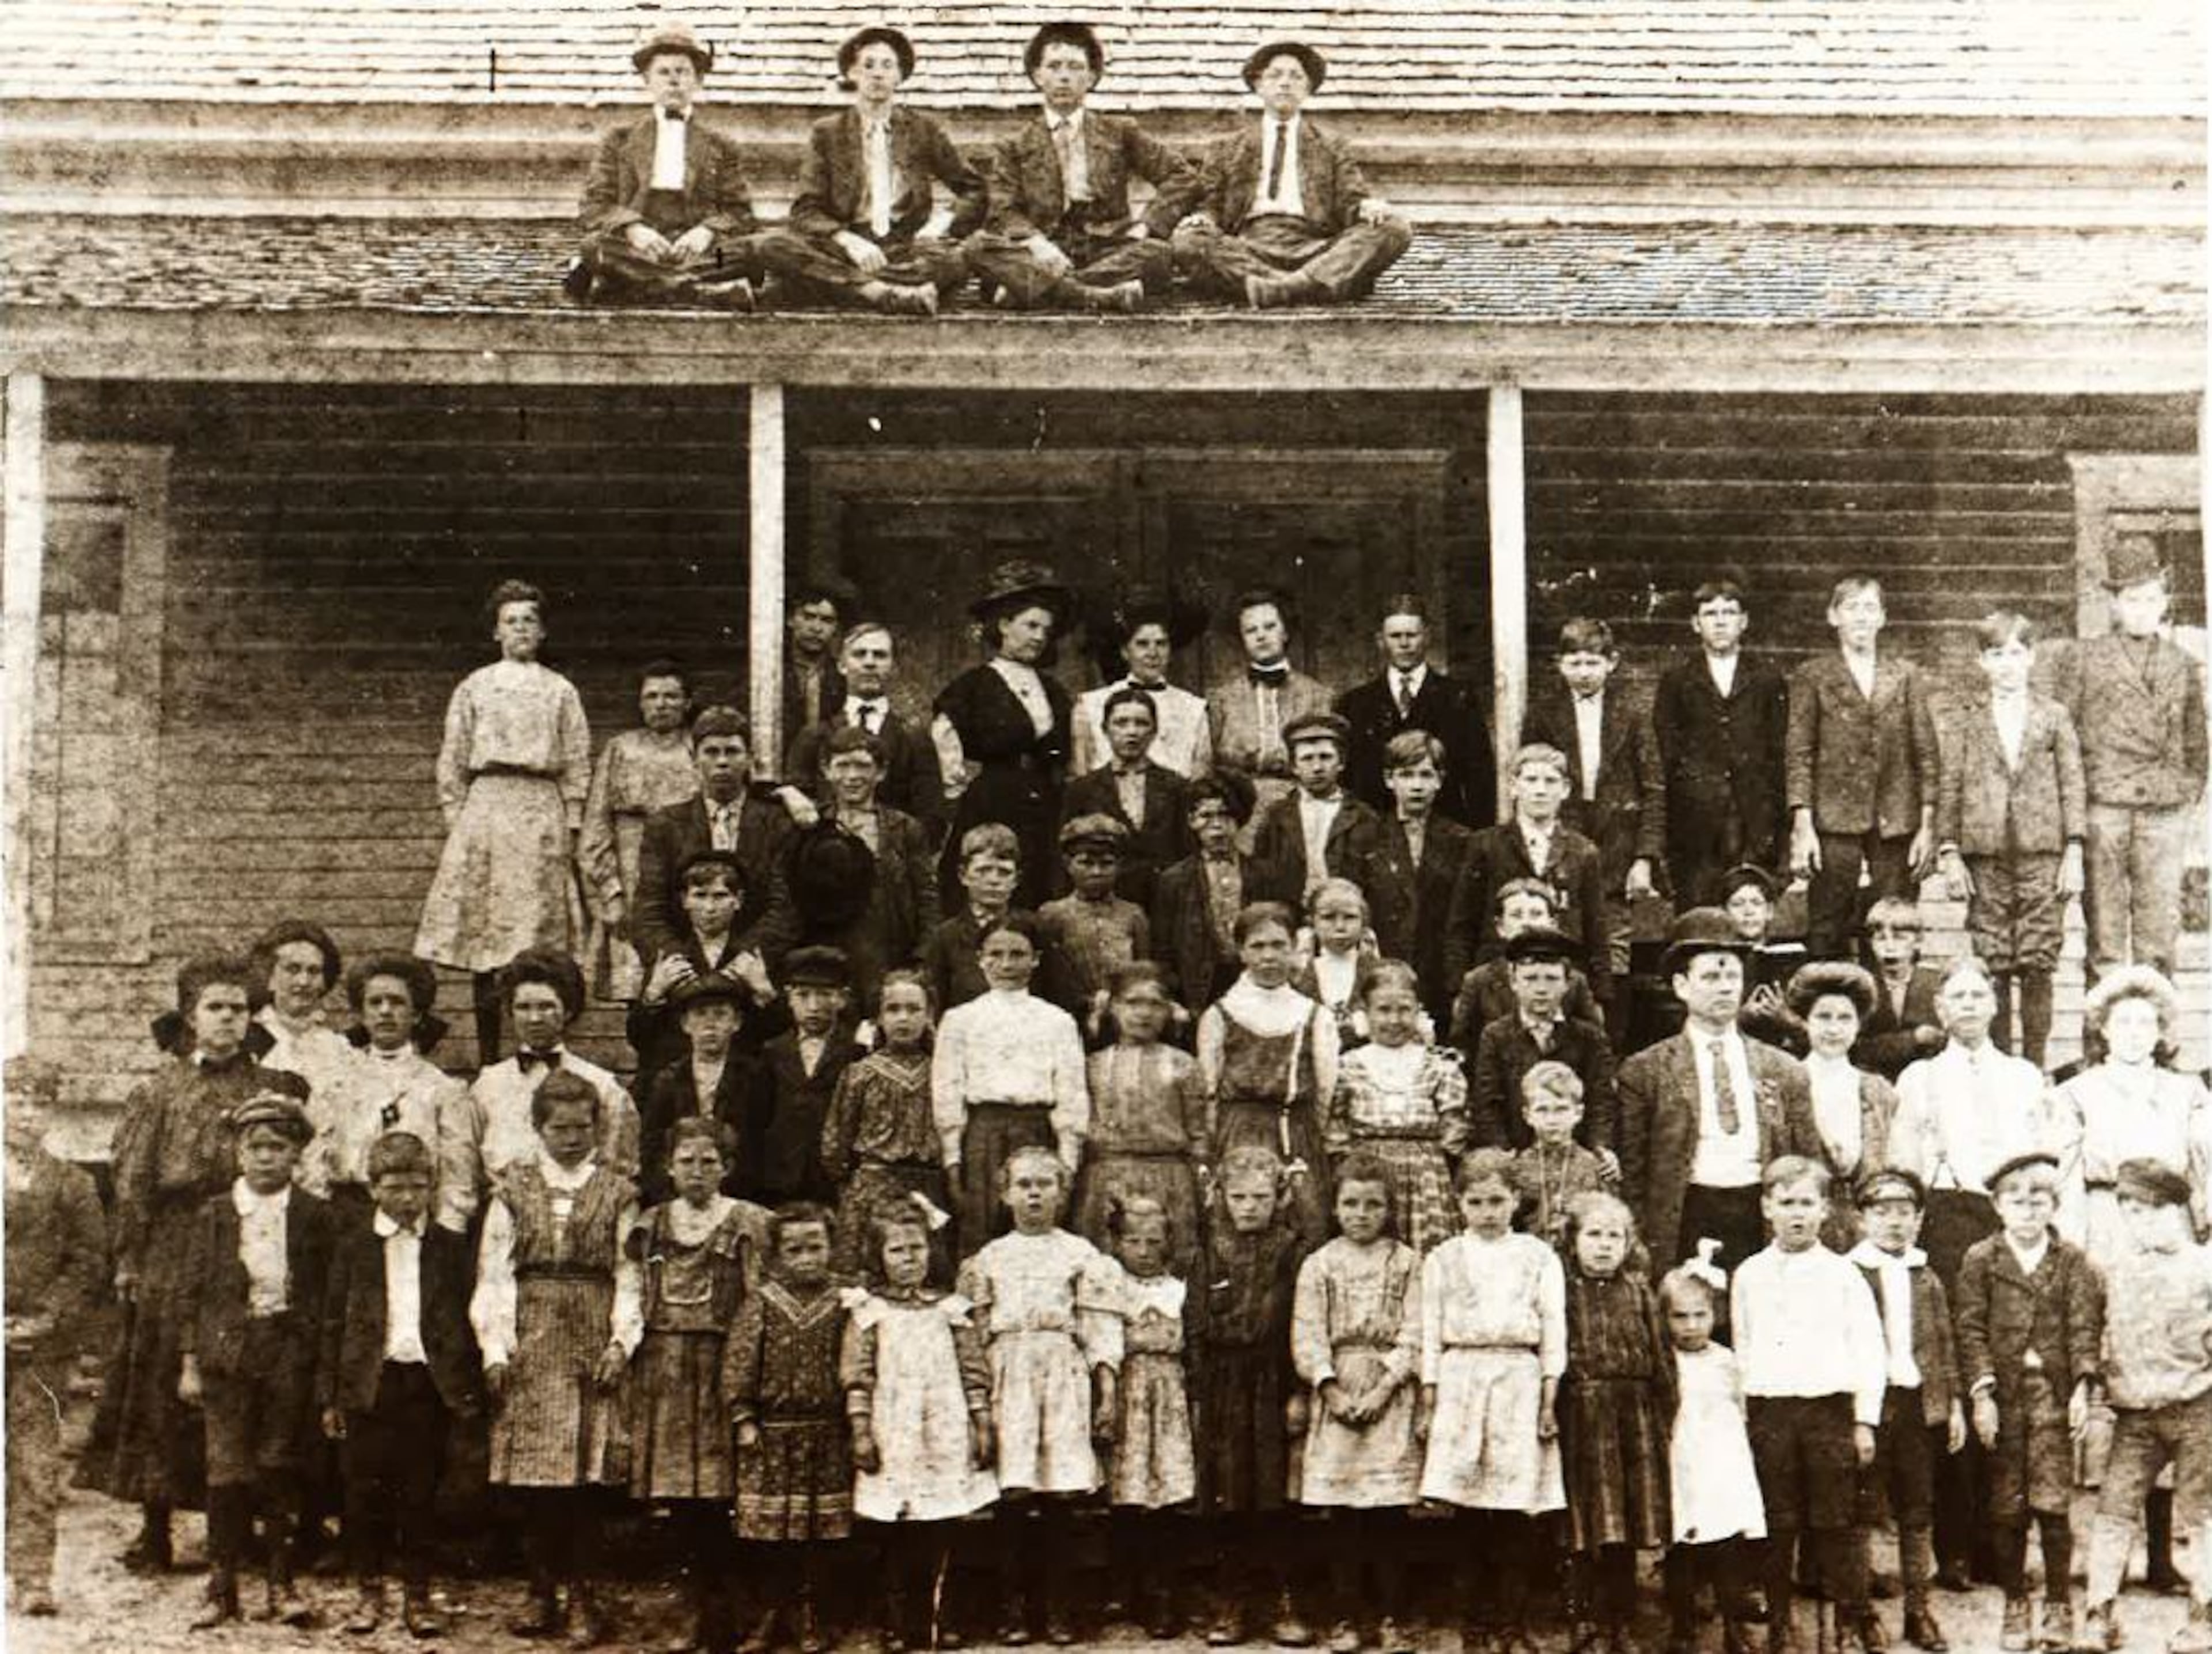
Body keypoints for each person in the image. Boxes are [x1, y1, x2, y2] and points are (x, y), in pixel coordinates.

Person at [88, 954, 301, 1575]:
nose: (229, 1020)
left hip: (242, 1239)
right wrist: (130, 1257)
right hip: (173, 1245)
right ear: (190, 1016)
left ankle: (236, 1529)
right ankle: (154, 1528)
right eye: (216, 1007)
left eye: (239, 1009)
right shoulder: (159, 1090)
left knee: (239, 1377)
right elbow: (132, 1182)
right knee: (161, 1383)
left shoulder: (267, 1089)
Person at [1887, 957, 2073, 1595]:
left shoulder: (2023, 1076)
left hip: (2008, 1221)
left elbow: (2048, 1160)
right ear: (1938, 1009)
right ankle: (1955, 1549)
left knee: (2007, 1378)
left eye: (1977, 993)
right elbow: (1904, 1164)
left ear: (1995, 1004)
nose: (1967, 1004)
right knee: (1957, 1381)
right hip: (1945, 1217)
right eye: (1954, 995)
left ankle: (2004, 1547)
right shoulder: (1918, 1077)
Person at [472, 1069, 642, 1644]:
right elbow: (494, 1276)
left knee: (586, 1479)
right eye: (559, 1126)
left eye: (582, 1126)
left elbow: (629, 1273)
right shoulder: (513, 1190)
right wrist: (496, 1348)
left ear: (598, 1127)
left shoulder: (619, 1192)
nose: (572, 1137)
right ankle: (543, 1592)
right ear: (539, 1127)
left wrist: (622, 1342)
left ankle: (585, 1598)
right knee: (537, 1479)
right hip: (533, 1333)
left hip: (592, 1332)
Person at [414, 579, 590, 1063]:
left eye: (529, 621)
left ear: (543, 630)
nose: (521, 630)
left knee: (537, 937)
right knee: (487, 942)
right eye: (511, 622)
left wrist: (571, 823)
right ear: (496, 631)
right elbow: (452, 758)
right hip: (488, 808)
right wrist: (459, 819)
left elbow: (577, 761)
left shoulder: (560, 691)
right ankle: (492, 1058)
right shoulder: (476, 686)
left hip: (540, 809)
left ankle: (546, 1050)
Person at [178, 1092, 335, 1629]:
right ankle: (221, 1587)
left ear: (296, 1154)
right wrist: (190, 1362)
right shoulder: (217, 1214)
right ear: (238, 1153)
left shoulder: (314, 1215)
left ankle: (280, 1582)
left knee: (278, 1464)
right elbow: (192, 1291)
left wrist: (313, 1357)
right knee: (226, 1470)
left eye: (278, 1147)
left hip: (288, 1352)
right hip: (227, 1355)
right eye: (256, 1147)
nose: (266, 1157)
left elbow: (323, 1293)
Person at [317, 1129, 481, 1638]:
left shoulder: (450, 1247)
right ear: (373, 1188)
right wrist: (331, 1396)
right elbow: (332, 1324)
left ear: (432, 1185)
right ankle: (369, 1592)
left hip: (428, 1385)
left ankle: (417, 1594)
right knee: (363, 1492)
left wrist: (464, 1387)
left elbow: (465, 1317)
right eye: (395, 1187)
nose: (407, 1198)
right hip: (370, 1382)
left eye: (417, 1186)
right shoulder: (354, 1247)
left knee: (420, 1492)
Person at [957, 1148, 1124, 1644]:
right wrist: (980, 1400)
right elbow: (976, 1332)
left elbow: (1100, 1328)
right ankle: (1011, 1609)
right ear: (1006, 1194)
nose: (1034, 1194)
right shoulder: (990, 1258)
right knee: (1013, 1497)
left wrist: (1106, 1392)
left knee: (1058, 1498)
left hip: (1061, 1375)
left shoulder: (1081, 1256)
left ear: (1062, 1192)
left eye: (1045, 1184)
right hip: (1008, 1375)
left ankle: (1058, 1610)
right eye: (1024, 1185)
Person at [1730, 1157, 1887, 1654]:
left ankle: (1846, 1622)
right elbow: (1744, 1346)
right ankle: (1780, 1624)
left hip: (1829, 1413)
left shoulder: (1843, 1275)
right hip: (1771, 1415)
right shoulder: (1750, 1274)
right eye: (1786, 1203)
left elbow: (1868, 1351)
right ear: (1766, 1208)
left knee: (1836, 1522)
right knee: (1778, 1524)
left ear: (1825, 1210)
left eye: (1807, 1203)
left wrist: (1864, 1420)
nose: (1796, 1214)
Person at [1952, 1152, 2103, 1653]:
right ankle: (2015, 1602)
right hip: (2004, 1397)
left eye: (2039, 1200)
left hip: (2054, 1397)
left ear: (2054, 1205)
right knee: (2008, 1505)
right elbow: (1970, 1329)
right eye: (2015, 1200)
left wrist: (2082, 1387)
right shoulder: (1981, 1259)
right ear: (1997, 1206)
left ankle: (2059, 1603)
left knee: (2054, 1503)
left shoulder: (2073, 1261)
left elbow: (2084, 1329)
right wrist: (1982, 1393)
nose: (2027, 1210)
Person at [1418, 1148, 1567, 1653]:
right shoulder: (1443, 1258)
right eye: (1476, 1201)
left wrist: (1549, 1400)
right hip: (1461, 1377)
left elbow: (1554, 1330)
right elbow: (1429, 1333)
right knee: (1465, 1505)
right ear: (1460, 1203)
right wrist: (1429, 1398)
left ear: (1516, 1201)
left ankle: (1511, 1618)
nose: (1487, 1211)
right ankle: (1475, 1621)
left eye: (1497, 1200)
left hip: (1519, 1381)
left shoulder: (1538, 1256)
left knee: (1512, 1507)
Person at [1616, 909, 1820, 1272]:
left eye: (1733, 976)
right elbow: (1634, 1175)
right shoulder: (1646, 1070)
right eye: (1711, 976)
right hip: (1686, 1216)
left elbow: (1808, 1161)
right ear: (1681, 986)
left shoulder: (1784, 1070)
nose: (1725, 987)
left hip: (1759, 1217)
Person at [629, 1119, 766, 1654]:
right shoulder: (651, 1224)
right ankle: (696, 1610)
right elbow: (637, 1293)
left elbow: (756, 1304)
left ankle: (731, 1613)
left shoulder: (748, 1222)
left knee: (722, 1494)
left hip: (721, 1363)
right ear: (669, 1167)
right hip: (666, 1366)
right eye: (687, 1161)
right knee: (681, 1498)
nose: (698, 1172)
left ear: (726, 1167)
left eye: (710, 1162)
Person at [843, 1201, 998, 1651]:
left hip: (944, 1429)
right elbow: (858, 1374)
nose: (909, 1258)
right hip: (894, 1429)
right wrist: (861, 1430)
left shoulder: (951, 1309)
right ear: (879, 1257)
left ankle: (939, 1616)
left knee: (943, 1522)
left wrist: (982, 1423)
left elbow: (973, 1371)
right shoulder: (868, 1311)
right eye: (897, 1250)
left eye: (917, 1248)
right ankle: (896, 1621)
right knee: (897, 1525)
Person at [1934, 610, 2086, 1067]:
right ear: (1982, 661)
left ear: (2032, 658)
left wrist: (2074, 848)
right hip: (1985, 856)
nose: (2007, 664)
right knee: (1994, 961)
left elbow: (2072, 783)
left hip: (2043, 853)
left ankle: (2035, 1066)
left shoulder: (2053, 715)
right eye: (1997, 655)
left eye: (2016, 654)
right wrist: (1949, 850)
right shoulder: (1966, 718)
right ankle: (1999, 1064)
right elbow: (1950, 784)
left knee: (2038, 959)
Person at [961, 22, 1198, 312]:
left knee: (1158, 254)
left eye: (1075, 68)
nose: (1064, 77)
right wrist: (1037, 243)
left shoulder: (1120, 132)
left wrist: (1147, 226)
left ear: (1091, 77)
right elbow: (1003, 209)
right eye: (1054, 67)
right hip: (1044, 248)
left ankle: (1043, 290)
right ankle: (1091, 295)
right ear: (1038, 76)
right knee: (978, 246)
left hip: (1108, 247)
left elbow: (1182, 177)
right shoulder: (1014, 145)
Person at [2056, 539, 2209, 982]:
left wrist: (2183, 796)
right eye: (2131, 599)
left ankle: (2159, 1043)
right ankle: (2100, 1040)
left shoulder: (2182, 663)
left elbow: (2197, 744)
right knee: (2105, 930)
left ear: (2163, 603)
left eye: (2150, 599)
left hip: (2164, 809)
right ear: (2115, 604)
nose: (2142, 609)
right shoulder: (2087, 659)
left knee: (2159, 929)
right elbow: (2068, 737)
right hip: (2106, 806)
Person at [1292, 1156, 1424, 1653]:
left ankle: (1390, 1615)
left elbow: (1416, 1331)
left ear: (1390, 1209)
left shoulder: (1408, 1262)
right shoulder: (1321, 1263)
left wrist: (1385, 1386)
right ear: (1335, 1207)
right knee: (1344, 1513)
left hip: (1388, 1391)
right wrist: (1329, 1388)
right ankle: (1346, 1615)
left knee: (1388, 1512)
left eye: (1373, 1205)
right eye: (1351, 1203)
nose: (1361, 1214)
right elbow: (1307, 1333)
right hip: (1339, 1390)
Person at [754, 27, 980, 314]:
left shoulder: (923, 130)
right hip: (845, 247)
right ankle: (882, 293)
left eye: (888, 66)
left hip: (904, 247)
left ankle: (840, 288)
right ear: (852, 73)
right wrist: (849, 242)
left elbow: (974, 189)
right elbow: (806, 210)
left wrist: (941, 224)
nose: (878, 74)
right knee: (773, 246)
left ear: (900, 76)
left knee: (956, 263)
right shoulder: (828, 133)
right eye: (868, 65)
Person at [2081, 1160, 2212, 1653]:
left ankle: (2205, 1614)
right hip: (2135, 1414)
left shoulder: (2205, 1266)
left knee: (2201, 1515)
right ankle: (2100, 1611)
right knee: (2114, 1510)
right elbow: (2096, 1334)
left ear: (2179, 1210)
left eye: (2154, 1210)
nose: (2143, 1221)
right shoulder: (2115, 1270)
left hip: (2196, 1405)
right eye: (2132, 1211)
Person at [1173, 40, 1411, 308]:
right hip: (1248, 248)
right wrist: (1202, 219)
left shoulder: (1331, 146)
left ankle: (1287, 287)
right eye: (1275, 75)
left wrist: (1367, 207)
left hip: (1316, 248)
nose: (1285, 83)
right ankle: (1306, 287)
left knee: (1394, 228)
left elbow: (1352, 202)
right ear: (1258, 86)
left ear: (1308, 89)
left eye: (1296, 77)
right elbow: (1209, 206)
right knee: (1188, 240)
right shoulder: (1227, 148)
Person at [1192, 1144, 1310, 1649]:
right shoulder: (1209, 1249)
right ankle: (1231, 1600)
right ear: (1221, 1196)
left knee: (1273, 1494)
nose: (1248, 1207)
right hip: (1223, 1384)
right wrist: (1199, 1394)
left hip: (1272, 1380)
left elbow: (1301, 1325)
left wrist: (1298, 1392)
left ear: (1279, 1197)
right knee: (1229, 1493)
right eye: (1238, 1196)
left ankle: (1285, 1597)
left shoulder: (1291, 1250)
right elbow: (1195, 1327)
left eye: (1260, 1197)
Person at [1523, 617, 1663, 1044]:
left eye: (1593, 662)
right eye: (1575, 662)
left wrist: (1645, 857)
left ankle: (1610, 1044)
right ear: (1561, 665)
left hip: (1617, 849)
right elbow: (1532, 773)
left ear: (1611, 663)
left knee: (1613, 950)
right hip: (1563, 840)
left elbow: (1654, 787)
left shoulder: (1634, 711)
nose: (1584, 671)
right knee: (1563, 939)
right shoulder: (1545, 713)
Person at [1785, 577, 1940, 959]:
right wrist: (1803, 827)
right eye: (1851, 607)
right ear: (1833, 616)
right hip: (1834, 823)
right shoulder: (1813, 676)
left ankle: (1890, 1014)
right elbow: (1799, 752)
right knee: (1828, 926)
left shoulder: (1905, 676)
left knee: (1894, 924)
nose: (1861, 617)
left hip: (1895, 823)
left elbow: (1926, 754)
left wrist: (1927, 826)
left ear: (1883, 618)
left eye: (1870, 608)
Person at [3, 1056, 107, 1619]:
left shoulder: (72, 1184)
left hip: (41, 1342)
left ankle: (32, 1575)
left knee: (34, 1459)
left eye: (38, 1101)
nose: (26, 1111)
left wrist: (45, 1318)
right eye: (15, 1098)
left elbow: (88, 1263)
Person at [724, 1202, 852, 1654]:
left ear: (832, 1249)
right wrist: (744, 1418)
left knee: (818, 1536)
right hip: (774, 1434)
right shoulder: (762, 1302)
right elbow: (740, 1364)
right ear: (777, 1255)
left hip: (828, 1434)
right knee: (773, 1537)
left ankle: (810, 1617)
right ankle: (769, 1616)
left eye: (815, 1247)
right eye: (794, 1249)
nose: (806, 1257)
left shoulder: (847, 1301)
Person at [567, 20, 766, 309]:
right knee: (595, 248)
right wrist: (634, 230)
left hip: (700, 251)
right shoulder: (619, 140)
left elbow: (740, 212)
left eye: (683, 72)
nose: (674, 81)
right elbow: (594, 206)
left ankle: (635, 286)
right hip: (640, 248)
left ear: (698, 81)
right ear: (647, 81)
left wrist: (706, 232)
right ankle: (699, 292)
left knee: (751, 252)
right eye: (663, 72)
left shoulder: (720, 144)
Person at [1845, 1167, 1963, 1654]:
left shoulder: (1926, 1274)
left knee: (1918, 1511)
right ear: (1861, 1218)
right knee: (1862, 1513)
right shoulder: (1849, 1274)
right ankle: (1860, 1615)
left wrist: (1952, 1403)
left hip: (1916, 1408)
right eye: (1881, 1212)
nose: (1894, 1223)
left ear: (1919, 1218)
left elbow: (1943, 1343)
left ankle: (1919, 1611)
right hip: (1871, 1407)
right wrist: (1856, 1416)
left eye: (1904, 1213)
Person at [442, 947, 640, 1234]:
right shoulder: (488, 1085)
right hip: (503, 1222)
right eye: (524, 1008)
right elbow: (466, 1166)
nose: (535, 1019)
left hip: (580, 1223)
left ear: (568, 1010)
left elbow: (620, 1167)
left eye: (547, 1007)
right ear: (510, 1013)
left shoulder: (601, 1084)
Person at [1556, 1193, 1674, 1654]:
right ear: (1572, 1242)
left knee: (1625, 1519)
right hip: (1583, 1413)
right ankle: (1583, 1619)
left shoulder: (1640, 1290)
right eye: (1593, 1235)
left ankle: (1621, 1619)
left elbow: (1661, 1356)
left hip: (1635, 1415)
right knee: (1584, 1518)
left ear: (1629, 1244)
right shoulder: (1564, 1292)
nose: (1604, 1246)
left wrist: (1667, 1408)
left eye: (1614, 1236)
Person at [933, 914, 1089, 1255]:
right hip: (982, 1134)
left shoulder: (1057, 1021)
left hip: (1037, 1132)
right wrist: (953, 1159)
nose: (1006, 964)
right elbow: (947, 1090)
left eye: (1017, 954)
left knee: (1041, 1232)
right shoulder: (960, 1020)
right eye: (995, 954)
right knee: (981, 1231)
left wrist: (1068, 1160)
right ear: (980, 959)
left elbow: (1071, 1093)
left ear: (1035, 959)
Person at [934, 560, 1078, 909]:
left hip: (1046, 804)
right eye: (1030, 626)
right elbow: (946, 748)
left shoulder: (1055, 690)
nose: (1039, 636)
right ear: (1003, 625)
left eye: (1046, 629)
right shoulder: (972, 687)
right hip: (992, 803)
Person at [1198, 901, 1341, 1248]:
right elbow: (1209, 1090)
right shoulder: (1221, 1014)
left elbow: (1326, 1091)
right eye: (1257, 946)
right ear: (1241, 952)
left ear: (1295, 949)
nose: (1269, 956)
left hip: (1296, 1132)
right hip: (1238, 1133)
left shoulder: (1313, 1015)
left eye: (1279, 946)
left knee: (1303, 1224)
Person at [2057, 965, 2212, 1269]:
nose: (2134, 1033)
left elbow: (2202, 1166)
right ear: (2104, 1029)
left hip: (2171, 1219)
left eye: (2145, 1023)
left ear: (2159, 1031)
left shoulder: (2187, 1092)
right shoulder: (2076, 1093)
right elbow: (2068, 1179)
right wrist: (2071, 1246)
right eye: (2123, 1022)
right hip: (2106, 1220)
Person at [633, 705, 803, 977]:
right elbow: (648, 912)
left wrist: (738, 964)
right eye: (711, 752)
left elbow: (784, 910)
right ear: (694, 758)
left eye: (732, 752)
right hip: (684, 970)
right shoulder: (665, 825)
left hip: (757, 967)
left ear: (750, 759)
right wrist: (687, 966)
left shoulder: (777, 823)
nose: (722, 762)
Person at [1652, 579, 1789, 908]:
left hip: (1755, 820)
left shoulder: (1768, 679)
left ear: (1744, 622)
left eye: (1729, 612)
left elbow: (1779, 750)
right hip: (1696, 824)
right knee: (1699, 909)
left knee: (1751, 906)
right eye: (1711, 614)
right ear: (1696, 624)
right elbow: (1667, 750)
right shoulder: (1677, 681)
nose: (1721, 621)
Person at [1443, 742, 1610, 1004]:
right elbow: (1462, 924)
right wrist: (1458, 989)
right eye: (1531, 780)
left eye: (1550, 781)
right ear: (1513, 787)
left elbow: (1596, 931)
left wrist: (1599, 996)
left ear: (1565, 789)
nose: (1540, 790)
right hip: (1497, 986)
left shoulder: (1583, 852)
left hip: (1559, 983)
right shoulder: (1486, 845)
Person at [1658, 1251, 1766, 1654]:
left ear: (1715, 1315)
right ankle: (1682, 1628)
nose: (1690, 1326)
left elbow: (1742, 1410)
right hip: (1682, 1463)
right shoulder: (1663, 1363)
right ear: (1664, 1318)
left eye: (1699, 1315)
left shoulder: (1728, 1361)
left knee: (1728, 1546)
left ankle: (1733, 1627)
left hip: (1722, 1462)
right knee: (1683, 1545)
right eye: (1679, 1317)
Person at [312, 951, 466, 1226]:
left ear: (416, 1014)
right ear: (361, 1014)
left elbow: (458, 1176)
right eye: (375, 1003)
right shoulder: (336, 1083)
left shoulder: (442, 1088)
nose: (385, 1011)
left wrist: (445, 1237)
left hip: (415, 1215)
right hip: (348, 1217)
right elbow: (315, 1160)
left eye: (397, 1002)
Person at [1072, 962, 1207, 1274]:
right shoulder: (1092, 1065)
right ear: (1113, 1008)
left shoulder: (1184, 1066)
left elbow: (1199, 1133)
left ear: (1170, 1011)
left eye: (1155, 1004)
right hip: (1106, 1180)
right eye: (1133, 1003)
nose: (1144, 1013)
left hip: (1170, 1180)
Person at [1103, 1194, 1198, 1638]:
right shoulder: (1110, 1287)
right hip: (1127, 1392)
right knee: (1128, 1493)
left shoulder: (1179, 1289)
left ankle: (1162, 1592)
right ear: (1117, 1243)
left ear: (1168, 1243)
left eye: (1153, 1241)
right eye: (1133, 1241)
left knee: (1166, 1495)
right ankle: (1124, 1587)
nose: (1143, 1250)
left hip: (1171, 1393)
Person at [1325, 961, 1468, 1255]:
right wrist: (1351, 1165)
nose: (1394, 1020)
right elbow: (1336, 1125)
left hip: (1425, 1180)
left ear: (1418, 1012)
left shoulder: (1438, 1065)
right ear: (1365, 1013)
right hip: (1366, 1177)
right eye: (1384, 1010)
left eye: (1404, 1010)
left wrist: (1430, 1163)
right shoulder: (1348, 1066)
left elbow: (1454, 1125)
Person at [579, 659, 698, 1000]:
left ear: (687, 703)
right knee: (637, 989)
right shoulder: (621, 749)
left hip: (684, 872)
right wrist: (611, 895)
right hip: (632, 877)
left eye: (671, 696)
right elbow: (596, 830)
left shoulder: (697, 750)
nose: (661, 704)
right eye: (652, 696)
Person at [821, 970, 950, 1278]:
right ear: (879, 1017)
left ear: (930, 1014)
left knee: (927, 1271)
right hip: (872, 1186)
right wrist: (850, 1185)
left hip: (928, 1187)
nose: (903, 1019)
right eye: (893, 1010)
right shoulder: (860, 1074)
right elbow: (836, 1140)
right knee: (864, 1273)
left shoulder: (943, 1072)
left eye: (913, 1009)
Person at [786, 622, 948, 845]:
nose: (870, 663)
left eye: (880, 655)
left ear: (892, 667)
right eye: (860, 655)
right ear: (842, 665)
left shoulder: (913, 738)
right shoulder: (816, 735)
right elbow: (796, 798)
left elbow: (931, 815)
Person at [1335, 596, 1491, 826]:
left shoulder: (1458, 698)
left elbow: (1479, 777)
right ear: (1381, 641)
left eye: (1412, 635)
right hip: (1375, 832)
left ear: (1427, 637)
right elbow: (1347, 782)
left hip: (1444, 829)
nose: (1404, 644)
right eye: (1395, 636)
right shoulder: (1356, 704)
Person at [1362, 730, 1480, 1028]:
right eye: (1407, 775)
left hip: (1440, 973)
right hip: (1386, 970)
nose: (1417, 785)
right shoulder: (1367, 837)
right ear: (1390, 780)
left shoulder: (1462, 840)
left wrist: (1458, 984)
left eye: (1426, 775)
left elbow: (1466, 917)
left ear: (1439, 781)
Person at [1469, 924, 1618, 1155]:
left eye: (1551, 979)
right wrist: (1502, 1150)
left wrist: (1599, 1147)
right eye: (1531, 979)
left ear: (1567, 984)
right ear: (1514, 982)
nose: (1541, 989)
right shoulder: (1495, 1036)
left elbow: (1602, 1101)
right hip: (1514, 1154)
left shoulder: (1589, 1037)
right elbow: (1488, 1103)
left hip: (1573, 1155)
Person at [628, 850, 772, 1082]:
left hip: (738, 1082)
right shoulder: (670, 960)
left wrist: (765, 992)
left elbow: (773, 1034)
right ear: (685, 900)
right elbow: (639, 1037)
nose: (709, 908)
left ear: (738, 901)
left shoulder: (752, 961)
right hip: (676, 1082)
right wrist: (653, 995)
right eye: (700, 896)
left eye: (720, 896)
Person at [1786, 962, 1899, 1247]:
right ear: (1805, 1021)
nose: (1834, 1029)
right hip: (1804, 1226)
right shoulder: (1787, 1084)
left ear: (1859, 1025)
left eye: (1845, 1018)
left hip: (1865, 1229)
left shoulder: (1878, 1090)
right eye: (1823, 1017)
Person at [1206, 587, 1335, 830]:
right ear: (1242, 639)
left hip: (1302, 808)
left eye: (1270, 627)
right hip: (1238, 812)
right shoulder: (1221, 699)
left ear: (1285, 632)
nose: (1261, 636)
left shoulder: (1318, 696)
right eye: (1251, 630)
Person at [1059, 685, 1196, 911]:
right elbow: (1065, 857)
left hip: (1165, 902)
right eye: (1121, 723)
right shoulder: (1083, 789)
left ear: (1154, 731)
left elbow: (1187, 852)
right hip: (1105, 902)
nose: (1132, 732)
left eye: (1141, 723)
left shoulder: (1177, 787)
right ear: (1105, 729)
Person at [637, 969, 763, 1207]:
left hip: (741, 1195)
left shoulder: (755, 1077)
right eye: (700, 1014)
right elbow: (651, 1147)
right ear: (685, 1024)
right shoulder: (668, 1079)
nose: (710, 1025)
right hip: (678, 1195)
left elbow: (760, 1143)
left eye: (720, 1015)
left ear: (736, 1023)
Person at [922, 822, 1076, 1014]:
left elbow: (1059, 995)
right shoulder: (946, 937)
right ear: (963, 875)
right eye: (983, 871)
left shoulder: (1035, 929)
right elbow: (936, 1002)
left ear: (1016, 879)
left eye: (1004, 872)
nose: (994, 880)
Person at [753, 947, 863, 1205]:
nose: (813, 1006)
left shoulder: (856, 1053)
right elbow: (757, 1121)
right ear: (789, 998)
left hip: (835, 1181)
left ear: (842, 999)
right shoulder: (773, 1052)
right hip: (780, 1180)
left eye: (825, 995)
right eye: (803, 996)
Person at [1248, 711, 1388, 911]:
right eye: (1307, 759)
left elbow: (1376, 883)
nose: (1317, 768)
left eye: (1325, 757)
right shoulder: (1276, 817)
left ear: (1341, 763)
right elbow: (1261, 876)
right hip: (1289, 918)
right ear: (1294, 767)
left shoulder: (1364, 817)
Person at [1071, 586, 1214, 779]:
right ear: (1125, 652)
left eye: (1161, 644)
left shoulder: (1193, 708)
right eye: (1142, 644)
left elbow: (1201, 776)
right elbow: (1083, 776)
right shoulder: (1090, 705)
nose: (1153, 654)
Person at [1446, 879, 1605, 1049]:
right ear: (1500, 926)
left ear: (1553, 923)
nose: (1527, 923)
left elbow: (1595, 1042)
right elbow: (1461, 1045)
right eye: (1516, 915)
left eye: (1536, 914)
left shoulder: (1574, 981)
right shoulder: (1479, 981)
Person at [1150, 773, 1257, 1012]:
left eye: (1226, 815)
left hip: (1250, 978)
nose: (1217, 825)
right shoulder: (1174, 880)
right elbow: (1163, 949)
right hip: (1198, 986)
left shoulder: (1261, 873)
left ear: (1239, 820)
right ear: (1191, 821)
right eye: (1206, 816)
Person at [1040, 812, 1151, 1033]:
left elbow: (1143, 971)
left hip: (1124, 1020)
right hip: (1069, 1018)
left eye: (1106, 864)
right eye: (1086, 863)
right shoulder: (1052, 915)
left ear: (1120, 865)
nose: (1096, 872)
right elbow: (1050, 976)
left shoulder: (1133, 914)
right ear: (1068, 864)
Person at [1508, 1061, 1615, 1249]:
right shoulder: (1516, 1167)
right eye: (1542, 1110)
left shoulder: (1594, 1166)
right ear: (1527, 1116)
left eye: (1561, 1109)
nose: (1552, 1120)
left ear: (1578, 1113)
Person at [250, 917, 356, 1105]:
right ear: (269, 977)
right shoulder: (248, 1039)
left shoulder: (338, 1048)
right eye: (293, 969)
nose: (304, 981)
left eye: (314, 972)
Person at [1717, 863, 1808, 1056]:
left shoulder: (1792, 960)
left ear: (1770, 911)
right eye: (1738, 904)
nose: (1748, 912)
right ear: (1724, 912)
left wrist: (1786, 1018)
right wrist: (1741, 1018)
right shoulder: (1715, 962)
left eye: (1756, 903)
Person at [1853, 896, 1947, 1082]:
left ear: (1918, 942)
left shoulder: (1936, 985)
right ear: (1871, 944)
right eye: (1881, 939)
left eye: (1900, 938)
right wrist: (1913, 1040)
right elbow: (1856, 1050)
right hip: (1876, 1083)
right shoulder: (1862, 988)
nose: (1889, 948)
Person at [1294, 877, 1385, 1051]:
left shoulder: (1377, 973)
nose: (1340, 926)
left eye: (1350, 917)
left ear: (1363, 922)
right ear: (1313, 921)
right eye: (1329, 918)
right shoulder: (1299, 974)